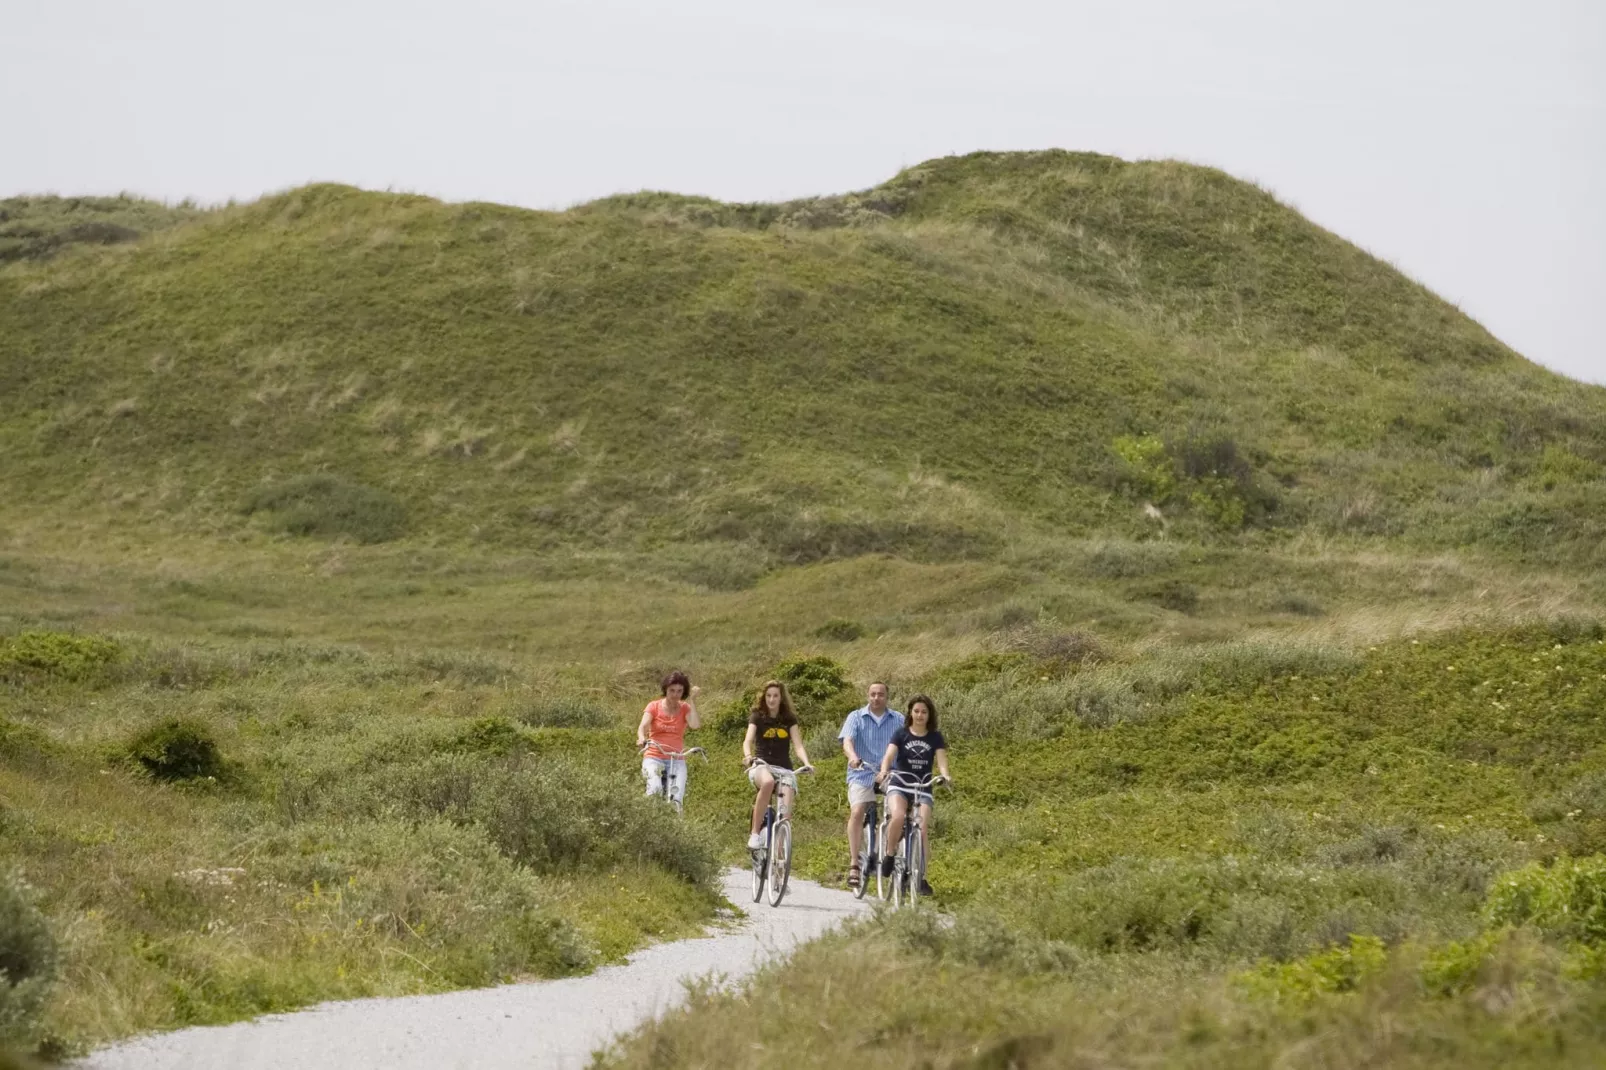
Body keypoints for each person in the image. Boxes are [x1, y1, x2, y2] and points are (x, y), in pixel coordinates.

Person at [876, 693, 951, 897]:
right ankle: (890, 855)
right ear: (910, 713)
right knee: (898, 816)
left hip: (922, 787)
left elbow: (941, 760)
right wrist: (884, 771)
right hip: (900, 784)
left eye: (924, 712)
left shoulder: (935, 737)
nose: (920, 715)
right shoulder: (901, 734)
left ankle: (921, 876)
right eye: (916, 711)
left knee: (922, 828)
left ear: (929, 715)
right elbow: (889, 756)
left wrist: (944, 775)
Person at [838, 682, 903, 890]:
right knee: (857, 811)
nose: (877, 698)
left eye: (881, 694)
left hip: (889, 774)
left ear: (887, 697)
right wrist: (853, 756)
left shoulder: (899, 719)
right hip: (862, 772)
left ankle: (893, 851)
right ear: (868, 696)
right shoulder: (856, 717)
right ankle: (854, 863)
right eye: (873, 694)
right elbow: (847, 741)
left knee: (899, 811)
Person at [743, 679, 814, 850]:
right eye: (768, 696)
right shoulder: (757, 716)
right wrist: (748, 756)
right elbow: (748, 741)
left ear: (781, 698)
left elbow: (798, 745)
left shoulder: (789, 718)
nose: (771, 699)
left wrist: (807, 763)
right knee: (767, 782)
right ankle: (754, 834)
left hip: (784, 769)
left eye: (775, 696)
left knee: (786, 812)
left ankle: (779, 854)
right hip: (761, 764)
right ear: (764, 697)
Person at [636, 670, 701, 811]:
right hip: (654, 755)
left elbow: (695, 725)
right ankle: (646, 821)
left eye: (679, 691)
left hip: (676, 758)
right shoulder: (653, 706)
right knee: (655, 789)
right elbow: (643, 726)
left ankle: (675, 829)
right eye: (672, 690)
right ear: (665, 689)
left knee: (676, 798)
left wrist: (693, 701)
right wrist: (641, 738)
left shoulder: (685, 708)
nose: (675, 695)